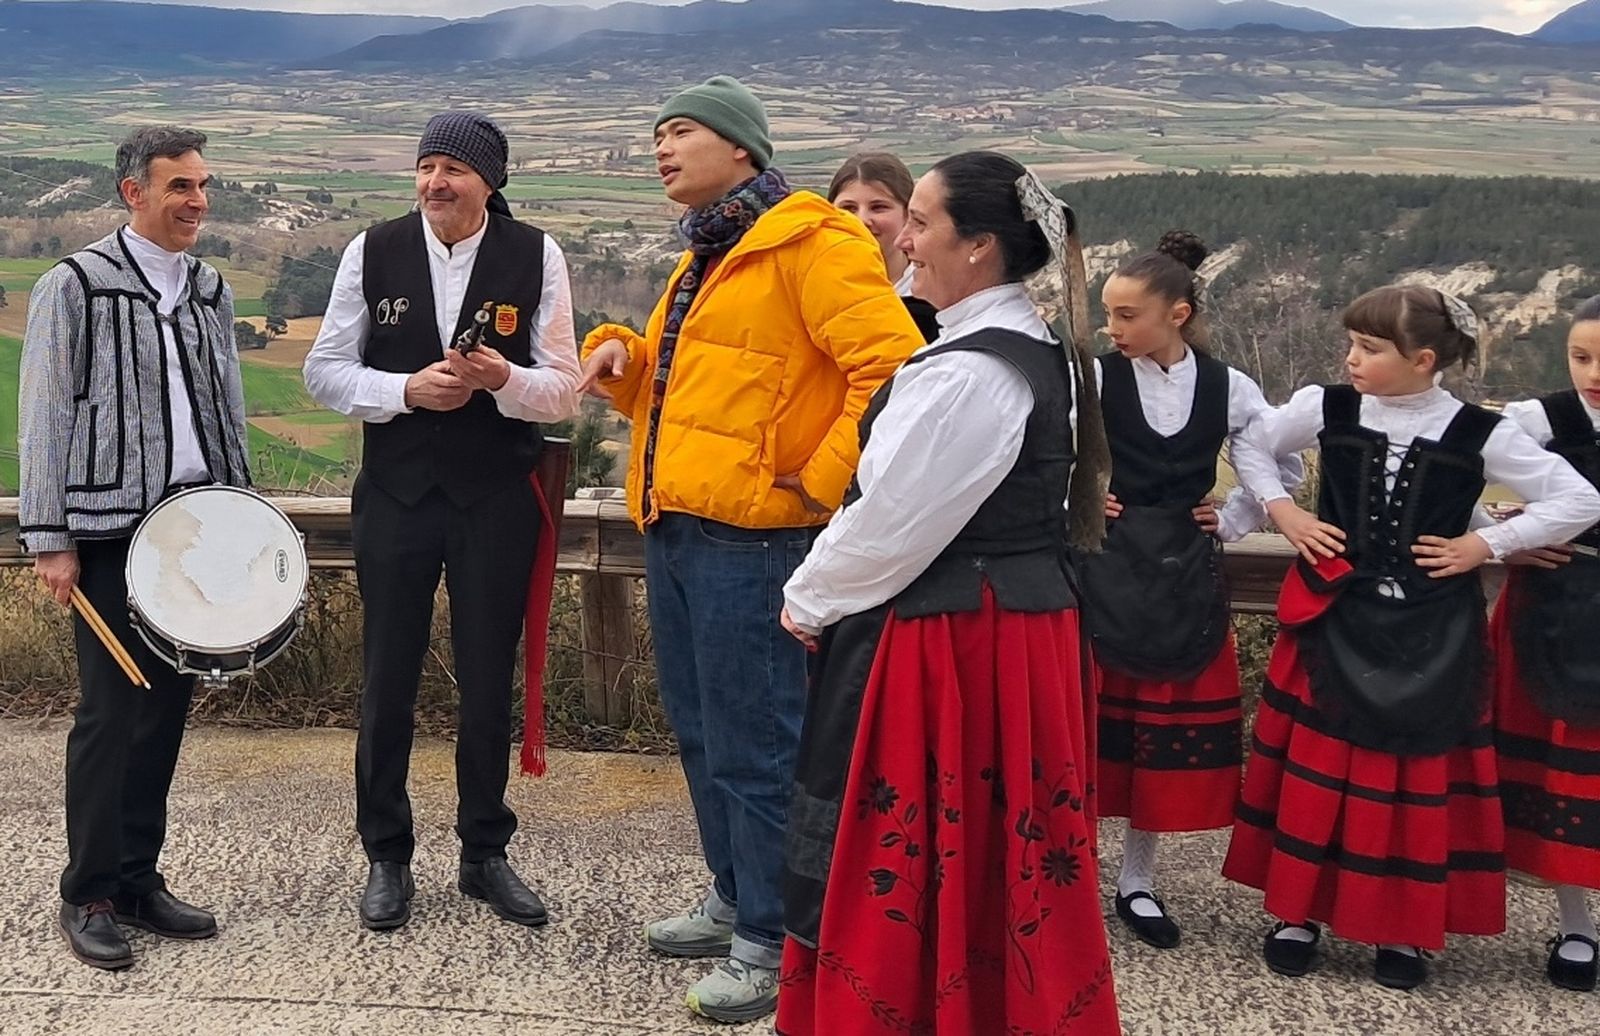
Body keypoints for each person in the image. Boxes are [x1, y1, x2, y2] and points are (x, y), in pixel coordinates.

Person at [576, 76, 921, 1023]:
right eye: (656, 134)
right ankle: (734, 896)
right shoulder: (709, 253)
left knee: (758, 744)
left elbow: (890, 370)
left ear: (741, 149)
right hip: (679, 525)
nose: (660, 149)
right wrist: (622, 357)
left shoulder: (813, 242)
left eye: (679, 132)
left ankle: (773, 939)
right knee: (701, 734)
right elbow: (696, 381)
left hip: (754, 540)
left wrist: (813, 485)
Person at [776, 151, 1121, 1035]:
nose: (904, 242)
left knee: (926, 844)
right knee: (1000, 852)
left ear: (978, 249)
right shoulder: (1032, 350)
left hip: (959, 640)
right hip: (1019, 632)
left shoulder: (968, 374)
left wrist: (807, 598)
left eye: (920, 223)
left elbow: (894, 522)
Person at [1223, 284, 1600, 990]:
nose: (1352, 358)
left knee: (1411, 781)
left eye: (1370, 348)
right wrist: (1284, 513)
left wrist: (1486, 545)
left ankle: (1402, 930)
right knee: (1320, 772)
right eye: (1352, 344)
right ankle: (1297, 914)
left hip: (1433, 632)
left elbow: (1580, 500)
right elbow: (1251, 440)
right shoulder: (1326, 407)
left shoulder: (1478, 432)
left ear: (1423, 359)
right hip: (1336, 620)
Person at [303, 111, 580, 933]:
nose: (434, 183)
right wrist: (402, 393)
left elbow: (563, 387)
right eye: (425, 166)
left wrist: (503, 381)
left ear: (489, 179)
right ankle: (386, 854)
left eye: (452, 168)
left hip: (494, 495)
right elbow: (325, 369)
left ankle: (483, 851)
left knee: (488, 675)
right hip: (396, 494)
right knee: (387, 675)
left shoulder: (537, 253)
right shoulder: (373, 248)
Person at [19, 125, 251, 969]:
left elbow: (227, 408)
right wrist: (50, 538)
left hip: (194, 528)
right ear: (134, 193)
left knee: (165, 711)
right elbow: (43, 418)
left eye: (203, 185)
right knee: (110, 715)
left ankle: (139, 878)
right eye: (181, 186)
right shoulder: (72, 286)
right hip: (109, 531)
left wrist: (242, 517)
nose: (198, 201)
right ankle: (87, 893)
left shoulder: (208, 287)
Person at [1081, 231, 1296, 950]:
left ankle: (1137, 883)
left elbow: (1278, 465)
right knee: (1085, 731)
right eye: (1107, 314)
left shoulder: (1228, 386)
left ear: (1178, 312)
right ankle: (1069, 871)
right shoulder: (1092, 376)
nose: (1111, 329)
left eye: (1126, 316)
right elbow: (1039, 451)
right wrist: (1081, 501)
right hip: (1101, 572)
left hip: (1182, 570)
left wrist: (1230, 517)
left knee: (1155, 738)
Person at [1490, 294, 1600, 992]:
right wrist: (1504, 539)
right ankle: (1576, 923)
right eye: (1582, 356)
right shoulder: (1537, 420)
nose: (1593, 372)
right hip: (1552, 614)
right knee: (1561, 773)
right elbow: (1444, 469)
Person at [828, 151, 938, 341]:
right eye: (848, 208)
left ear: (908, 214)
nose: (862, 220)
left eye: (878, 207)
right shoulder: (816, 290)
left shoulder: (936, 295)